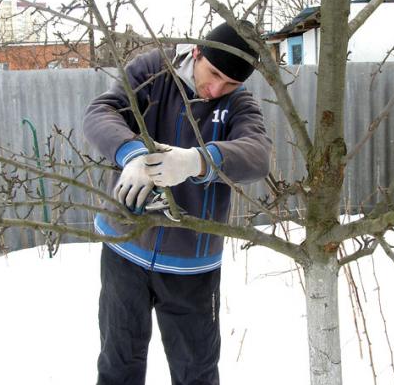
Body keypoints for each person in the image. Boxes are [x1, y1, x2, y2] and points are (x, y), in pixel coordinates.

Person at [83, 20, 272, 385]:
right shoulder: (153, 70)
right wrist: (132, 154)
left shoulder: (238, 104)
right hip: (125, 246)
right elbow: (100, 112)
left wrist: (196, 161)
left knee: (196, 372)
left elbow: (259, 154)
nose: (216, 88)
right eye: (213, 73)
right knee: (118, 365)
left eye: (230, 83)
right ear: (197, 51)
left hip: (191, 265)